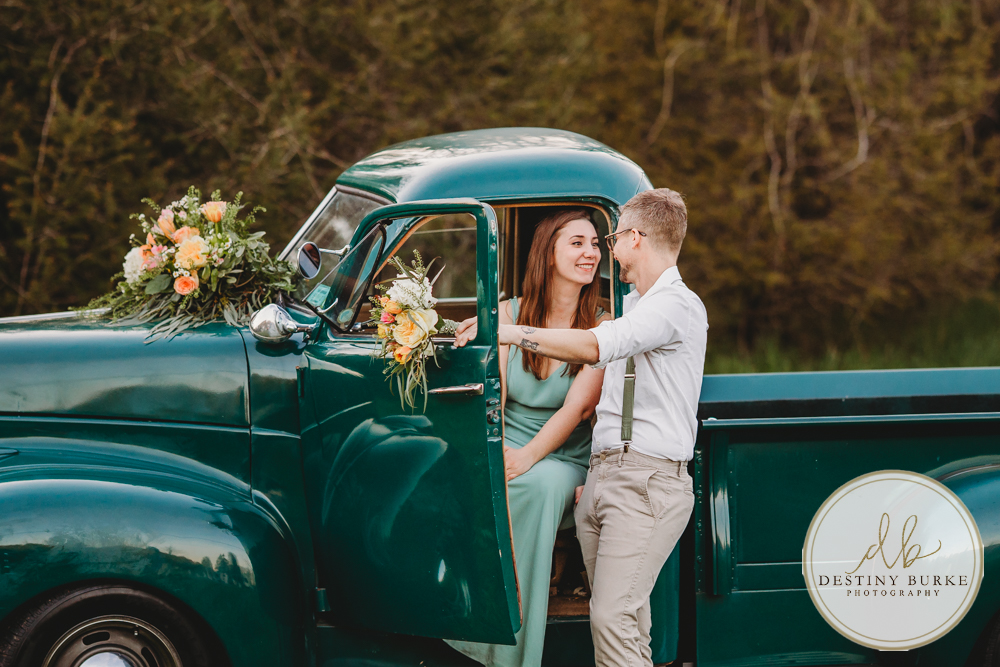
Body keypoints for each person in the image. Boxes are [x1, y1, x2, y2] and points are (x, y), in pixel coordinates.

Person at [457, 188, 707, 667]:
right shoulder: (636, 302)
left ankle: (509, 649)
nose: (602, 252)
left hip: (644, 479)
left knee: (613, 620)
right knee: (626, 624)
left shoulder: (670, 307)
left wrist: (504, 330)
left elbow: (596, 349)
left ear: (634, 239)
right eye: (581, 243)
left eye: (607, 240)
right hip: (604, 478)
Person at [445, 209, 611, 667]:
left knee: (532, 487)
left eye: (595, 243)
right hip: (506, 441)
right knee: (469, 477)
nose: (590, 252)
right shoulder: (506, 313)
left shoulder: (602, 325)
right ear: (548, 252)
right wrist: (498, 449)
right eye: (577, 242)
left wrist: (527, 458)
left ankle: (514, 653)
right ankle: (472, 624)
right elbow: (491, 398)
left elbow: (576, 408)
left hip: (563, 455)